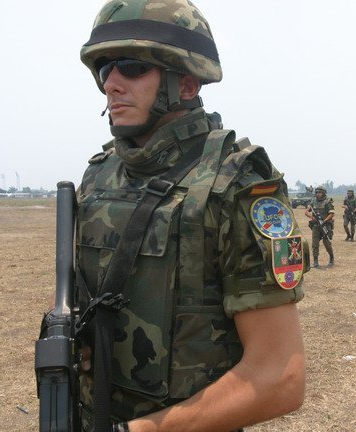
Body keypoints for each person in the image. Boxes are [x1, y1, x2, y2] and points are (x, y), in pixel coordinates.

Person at [71, 1, 307, 430]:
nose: (112, 84)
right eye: (105, 69)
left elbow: (280, 377)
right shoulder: (99, 175)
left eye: (132, 67)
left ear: (185, 83)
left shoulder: (236, 184)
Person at [304, 185, 335, 267]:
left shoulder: (327, 202)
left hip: (325, 225)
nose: (318, 194)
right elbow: (306, 212)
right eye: (317, 192)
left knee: (327, 243)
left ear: (323, 193)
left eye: (320, 193)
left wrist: (324, 220)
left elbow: (332, 213)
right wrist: (312, 217)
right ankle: (315, 262)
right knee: (315, 244)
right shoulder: (313, 202)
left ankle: (331, 259)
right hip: (316, 226)